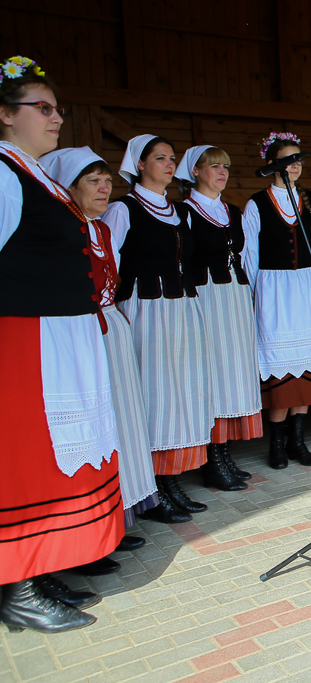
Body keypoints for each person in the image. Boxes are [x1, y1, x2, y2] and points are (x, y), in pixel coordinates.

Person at [0, 56, 123, 633]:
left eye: (57, 109)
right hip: (27, 337)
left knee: (55, 455)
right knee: (26, 457)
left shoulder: (35, 173)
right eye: (42, 108)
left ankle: (39, 568)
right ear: (5, 114)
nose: (55, 118)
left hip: (58, 333)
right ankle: (18, 587)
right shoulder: (3, 173)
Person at [41, 147, 165, 549]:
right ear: (68, 187)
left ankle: (121, 512)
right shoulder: (64, 230)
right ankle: (93, 526)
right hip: (80, 333)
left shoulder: (102, 229)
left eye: (107, 181)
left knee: (121, 421)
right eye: (93, 181)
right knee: (92, 427)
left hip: (110, 327)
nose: (104, 188)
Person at [105, 134, 215, 518]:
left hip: (180, 306)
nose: (169, 164)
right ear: (139, 164)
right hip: (146, 308)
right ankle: (151, 488)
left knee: (179, 392)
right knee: (153, 393)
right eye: (159, 158)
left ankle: (170, 481)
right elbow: (109, 261)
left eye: (172, 159)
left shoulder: (178, 210)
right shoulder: (123, 209)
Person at [242, 132, 311, 469]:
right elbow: (249, 255)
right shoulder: (256, 203)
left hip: (305, 287)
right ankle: (277, 444)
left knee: (307, 365)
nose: (295, 165)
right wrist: (256, 296)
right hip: (273, 288)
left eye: (298, 159)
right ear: (272, 165)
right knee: (280, 368)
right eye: (287, 160)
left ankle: (298, 441)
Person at [176, 145, 263, 491]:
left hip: (233, 296)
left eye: (225, 166)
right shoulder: (184, 211)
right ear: (195, 171)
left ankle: (224, 453)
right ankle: (212, 459)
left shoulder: (233, 210)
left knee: (230, 372)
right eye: (214, 166)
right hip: (206, 296)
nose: (222, 172)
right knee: (212, 371)